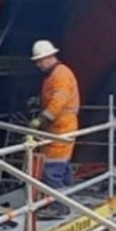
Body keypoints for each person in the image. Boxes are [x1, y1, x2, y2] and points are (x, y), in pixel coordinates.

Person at [29, 39, 81, 214]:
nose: (37, 65)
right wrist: (39, 101)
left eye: (39, 61)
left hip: (62, 126)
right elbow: (55, 97)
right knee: (63, 167)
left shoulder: (60, 74)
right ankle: (68, 199)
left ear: (49, 58)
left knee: (51, 169)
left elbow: (58, 102)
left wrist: (40, 120)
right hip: (60, 126)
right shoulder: (55, 75)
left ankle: (59, 207)